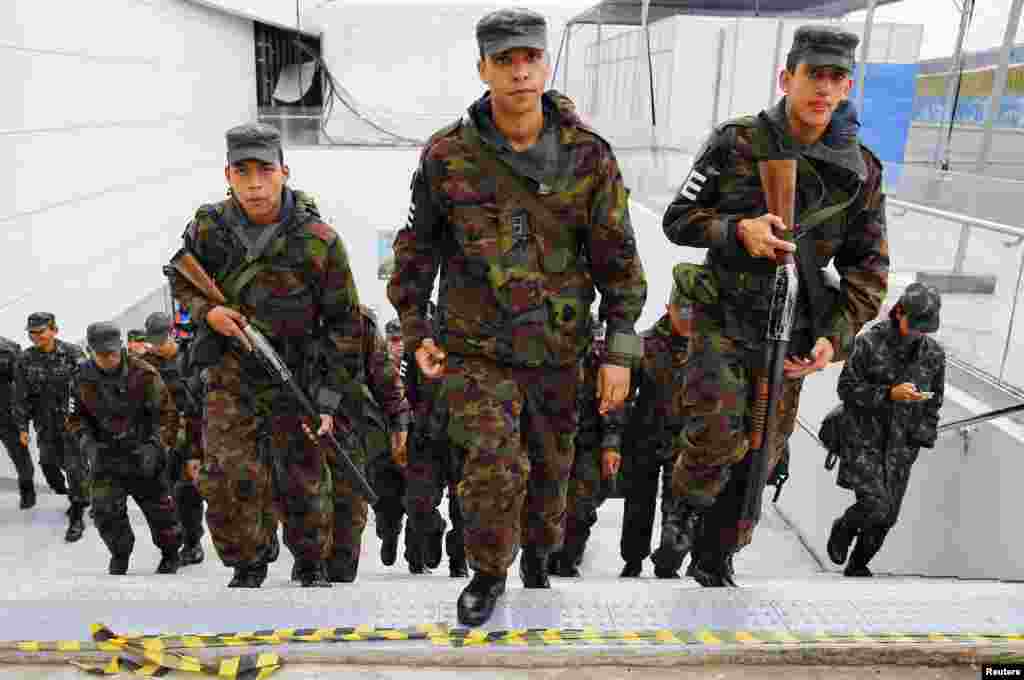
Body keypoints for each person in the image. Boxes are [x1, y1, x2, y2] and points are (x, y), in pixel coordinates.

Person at [388, 6, 646, 625]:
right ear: (483, 69)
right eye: (505, 61)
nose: (520, 72)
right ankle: (487, 571)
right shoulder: (448, 155)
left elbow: (618, 257)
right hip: (478, 349)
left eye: (530, 58)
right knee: (489, 465)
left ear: (545, 63)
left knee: (552, 468)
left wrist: (620, 349)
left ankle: (537, 553)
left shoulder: (588, 155)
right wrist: (416, 330)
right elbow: (416, 249)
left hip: (559, 349)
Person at [660, 25, 889, 585]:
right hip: (725, 317)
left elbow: (869, 270)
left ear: (847, 87)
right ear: (788, 78)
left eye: (836, 78)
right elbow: (677, 221)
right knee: (718, 433)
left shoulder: (861, 169)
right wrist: (738, 230)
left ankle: (717, 559)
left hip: (795, 327)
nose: (824, 88)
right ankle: (683, 508)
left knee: (762, 451)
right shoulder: (736, 141)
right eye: (814, 74)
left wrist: (834, 338)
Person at [167, 122, 363, 588]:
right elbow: (179, 275)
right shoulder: (208, 228)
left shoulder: (319, 240)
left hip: (296, 374)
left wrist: (329, 401)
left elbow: (345, 325)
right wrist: (208, 311)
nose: (254, 183)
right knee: (228, 476)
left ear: (284, 172)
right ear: (227, 175)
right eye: (243, 172)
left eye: (265, 171)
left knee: (303, 475)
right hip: (230, 373)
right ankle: (248, 561)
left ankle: (310, 560)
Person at [827, 283, 944, 577]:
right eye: (915, 325)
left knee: (888, 517)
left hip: (902, 445)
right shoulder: (869, 343)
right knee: (875, 505)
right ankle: (844, 527)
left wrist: (922, 433)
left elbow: (935, 402)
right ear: (899, 312)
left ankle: (858, 565)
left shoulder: (934, 355)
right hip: (864, 438)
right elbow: (847, 388)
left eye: (924, 328)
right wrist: (889, 394)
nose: (919, 332)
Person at [66, 322, 183, 575]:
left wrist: (156, 446)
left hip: (143, 453)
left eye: (112, 352)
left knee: (161, 512)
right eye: (102, 354)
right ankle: (120, 554)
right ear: (90, 350)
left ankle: (170, 553)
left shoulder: (144, 373)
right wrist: (87, 444)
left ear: (120, 347)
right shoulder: (80, 377)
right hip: (106, 456)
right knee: (104, 511)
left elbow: (168, 416)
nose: (108, 358)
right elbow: (75, 418)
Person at [318, 306, 410, 582]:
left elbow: (386, 381)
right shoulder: (276, 313)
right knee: (303, 513)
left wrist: (399, 423)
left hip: (347, 430)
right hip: (296, 426)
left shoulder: (358, 322)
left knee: (348, 511)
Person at [619, 268, 693, 578]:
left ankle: (668, 563)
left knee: (678, 503)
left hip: (685, 440)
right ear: (668, 309)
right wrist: (613, 442)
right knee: (639, 503)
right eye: (683, 313)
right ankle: (633, 559)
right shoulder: (640, 343)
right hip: (645, 435)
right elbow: (619, 397)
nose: (689, 321)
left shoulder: (705, 349)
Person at [549, 317, 623, 577]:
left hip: (588, 441)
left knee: (582, 505)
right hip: (551, 440)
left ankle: (568, 559)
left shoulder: (602, 358)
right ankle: (546, 556)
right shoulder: (546, 355)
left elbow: (612, 404)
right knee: (547, 503)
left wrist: (611, 445)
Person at [15, 312, 90, 541]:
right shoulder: (25, 359)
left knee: (75, 468)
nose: (36, 337)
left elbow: (88, 388)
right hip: (45, 425)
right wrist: (22, 428)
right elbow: (20, 397)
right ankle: (82, 494)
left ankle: (77, 513)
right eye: (32, 333)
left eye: (40, 331)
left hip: (72, 424)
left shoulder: (72, 353)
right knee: (49, 465)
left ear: (54, 330)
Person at [142, 312, 206, 566]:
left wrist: (196, 451)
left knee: (188, 491)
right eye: (154, 340)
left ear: (173, 333)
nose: (158, 344)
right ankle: (173, 543)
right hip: (160, 437)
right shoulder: (144, 365)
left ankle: (193, 542)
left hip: (192, 433)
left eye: (163, 338)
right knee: (164, 494)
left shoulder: (191, 358)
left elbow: (201, 403)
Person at [369, 317, 418, 572]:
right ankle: (389, 534)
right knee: (387, 501)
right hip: (385, 445)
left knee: (417, 498)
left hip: (415, 441)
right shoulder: (378, 367)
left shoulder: (417, 365)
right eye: (394, 341)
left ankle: (415, 553)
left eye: (402, 341)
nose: (398, 347)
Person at [0, 335, 35, 509]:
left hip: (6, 415)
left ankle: (27, 490)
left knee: (19, 456)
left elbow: (22, 381)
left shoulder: (7, 348)